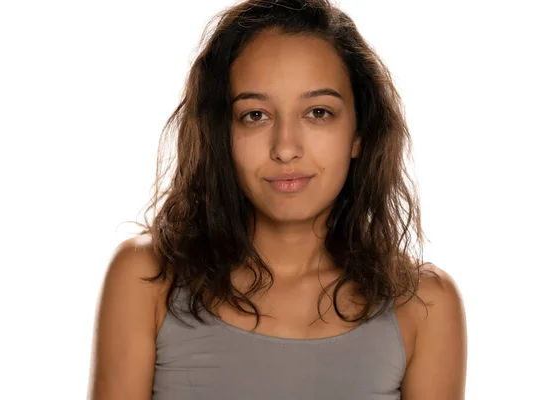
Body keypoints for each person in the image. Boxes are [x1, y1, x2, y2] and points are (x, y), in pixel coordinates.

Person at [88, 0, 468, 399]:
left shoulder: (424, 306)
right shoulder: (146, 279)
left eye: (318, 112)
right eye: (255, 115)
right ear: (222, 134)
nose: (285, 148)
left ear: (359, 133)